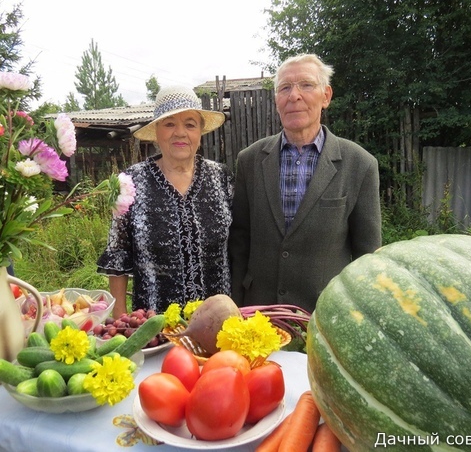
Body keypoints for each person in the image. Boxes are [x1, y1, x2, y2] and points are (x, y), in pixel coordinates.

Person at [229, 53, 382, 313]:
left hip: (326, 315)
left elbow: (368, 255)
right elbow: (239, 242)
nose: (294, 96)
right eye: (285, 88)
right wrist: (235, 307)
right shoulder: (250, 160)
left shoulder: (360, 164)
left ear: (326, 96)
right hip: (259, 314)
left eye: (306, 85)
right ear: (276, 100)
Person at [97, 86, 234, 318]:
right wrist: (119, 314)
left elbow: (238, 247)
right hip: (154, 324)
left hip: (217, 324)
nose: (180, 132)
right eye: (169, 124)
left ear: (200, 132)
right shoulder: (131, 182)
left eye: (190, 124)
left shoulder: (221, 177)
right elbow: (118, 251)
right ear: (157, 132)